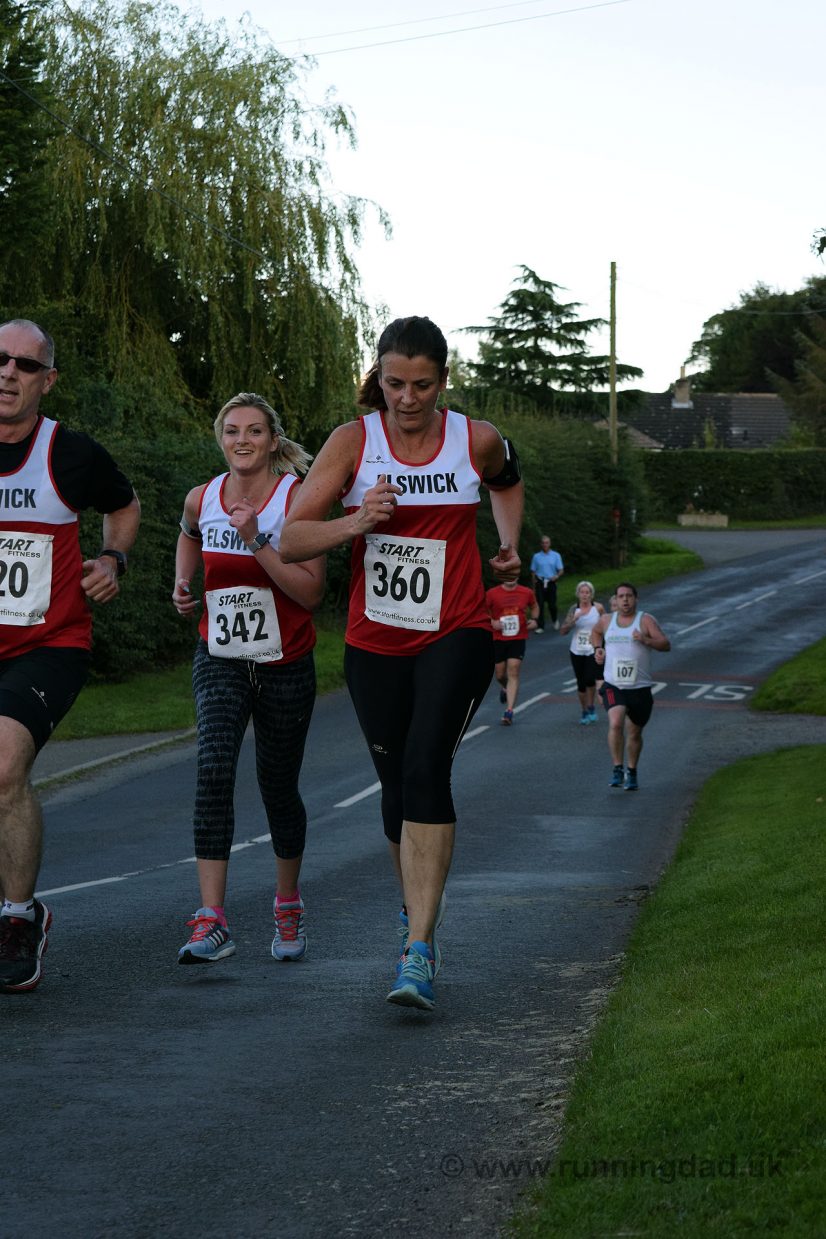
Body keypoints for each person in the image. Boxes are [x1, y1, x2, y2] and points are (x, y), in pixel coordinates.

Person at [280, 315, 523, 1011]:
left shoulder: (471, 438)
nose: (407, 398)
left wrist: (506, 541)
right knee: (395, 785)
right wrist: (355, 522)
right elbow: (294, 537)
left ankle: (419, 946)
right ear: (377, 377)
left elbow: (508, 476)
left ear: (443, 380)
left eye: (421, 384)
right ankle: (416, 910)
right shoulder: (353, 443)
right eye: (394, 383)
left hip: (456, 630)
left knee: (425, 765)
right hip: (374, 642)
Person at [0, 318, 140, 993]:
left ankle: (19, 917)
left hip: (48, 642)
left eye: (25, 366)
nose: (8, 372)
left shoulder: (70, 453)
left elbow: (125, 503)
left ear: (46, 381)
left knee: (3, 765)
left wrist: (113, 556)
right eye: (0, 359)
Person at [172, 393, 324, 966]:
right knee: (213, 766)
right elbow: (188, 531)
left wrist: (258, 539)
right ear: (220, 438)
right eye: (232, 430)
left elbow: (311, 593)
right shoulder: (203, 497)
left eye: (255, 431)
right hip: (221, 655)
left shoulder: (297, 500)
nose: (243, 440)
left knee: (277, 786)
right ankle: (212, 918)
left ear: (272, 440)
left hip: (286, 660)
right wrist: (184, 585)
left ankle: (287, 903)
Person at [590, 582, 670, 791]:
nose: (625, 600)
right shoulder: (607, 620)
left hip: (640, 687)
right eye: (621, 596)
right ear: (615, 600)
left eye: (629, 596)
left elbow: (665, 644)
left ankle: (632, 771)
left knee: (634, 733)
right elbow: (595, 633)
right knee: (616, 723)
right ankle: (617, 768)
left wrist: (645, 639)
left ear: (635, 599)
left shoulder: (645, 620)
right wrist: (598, 649)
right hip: (613, 684)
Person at [485, 577, 538, 725]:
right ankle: (504, 686)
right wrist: (492, 622)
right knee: (500, 674)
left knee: (513, 671)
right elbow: (481, 611)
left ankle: (509, 711)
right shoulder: (492, 594)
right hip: (499, 639)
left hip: (518, 637)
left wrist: (534, 620)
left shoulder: (526, 592)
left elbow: (534, 606)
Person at [559, 581, 605, 725]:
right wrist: (574, 620)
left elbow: (607, 625)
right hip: (577, 650)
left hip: (592, 649)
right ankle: (584, 710)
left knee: (590, 680)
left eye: (587, 592)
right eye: (582, 592)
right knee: (581, 683)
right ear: (578, 594)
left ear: (591, 594)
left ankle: (591, 706)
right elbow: (563, 631)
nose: (585, 595)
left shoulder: (598, 608)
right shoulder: (574, 609)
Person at [530, 534, 564, 631]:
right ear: (541, 544)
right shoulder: (536, 556)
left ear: (550, 544)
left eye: (547, 543)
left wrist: (556, 576)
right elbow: (533, 571)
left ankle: (555, 619)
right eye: (543, 543)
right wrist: (534, 586)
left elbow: (561, 570)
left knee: (552, 604)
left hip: (551, 582)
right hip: (540, 582)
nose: (545, 545)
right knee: (539, 604)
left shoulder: (556, 555)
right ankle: (540, 626)